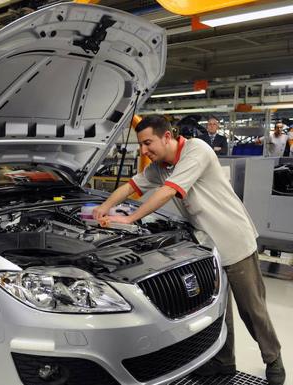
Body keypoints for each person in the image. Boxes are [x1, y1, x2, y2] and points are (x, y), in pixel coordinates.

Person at [93, 115, 285, 385]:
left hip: (234, 240)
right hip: (207, 247)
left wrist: (129, 218)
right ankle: (224, 362)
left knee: (252, 310)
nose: (145, 151)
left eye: (148, 143)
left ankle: (273, 360)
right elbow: (131, 186)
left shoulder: (197, 150)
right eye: (141, 145)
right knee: (218, 310)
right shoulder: (159, 166)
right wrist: (104, 208)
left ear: (167, 137)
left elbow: (169, 191)